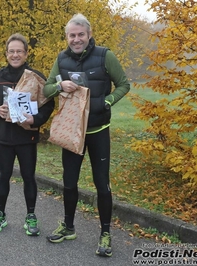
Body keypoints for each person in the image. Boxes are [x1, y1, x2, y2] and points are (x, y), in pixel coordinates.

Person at [43, 13, 130, 257]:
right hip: (72, 132)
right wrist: (61, 86)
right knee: (69, 182)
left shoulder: (105, 55)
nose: (76, 39)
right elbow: (47, 89)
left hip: (98, 130)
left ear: (89, 35)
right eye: (72, 35)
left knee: (102, 185)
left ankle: (105, 233)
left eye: (81, 34)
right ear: (67, 37)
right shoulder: (61, 59)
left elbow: (124, 83)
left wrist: (107, 101)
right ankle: (68, 227)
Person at [0, 33, 55, 236]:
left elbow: (49, 104)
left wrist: (35, 120)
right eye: (11, 51)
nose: (15, 55)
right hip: (4, 137)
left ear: (26, 53)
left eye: (19, 51)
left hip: (27, 138)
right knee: (3, 176)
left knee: (28, 177)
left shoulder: (35, 76)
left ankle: (31, 215)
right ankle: (0, 214)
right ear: (6, 53)